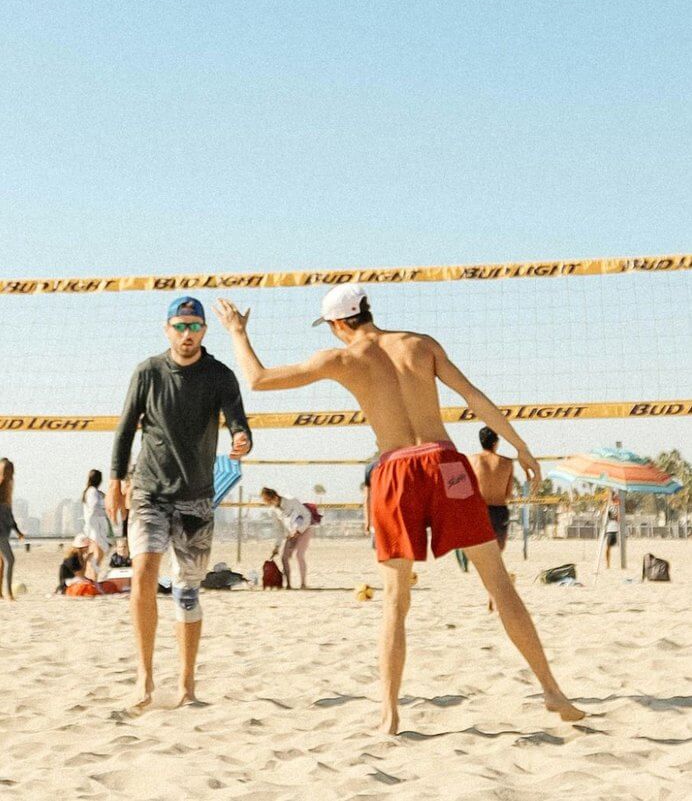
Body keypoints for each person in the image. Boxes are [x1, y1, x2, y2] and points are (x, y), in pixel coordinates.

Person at [214, 285, 584, 733]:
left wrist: (237, 332)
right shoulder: (419, 344)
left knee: (395, 601)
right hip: (445, 462)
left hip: (395, 471)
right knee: (500, 585)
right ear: (367, 311)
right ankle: (551, 689)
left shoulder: (340, 359)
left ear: (336, 325)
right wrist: (522, 447)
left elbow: (258, 379)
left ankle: (388, 713)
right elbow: (474, 396)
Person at [106, 296, 252, 712]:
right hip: (149, 490)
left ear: (204, 331)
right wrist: (116, 479)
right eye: (179, 326)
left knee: (187, 591)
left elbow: (238, 420)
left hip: (196, 497)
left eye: (193, 327)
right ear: (166, 329)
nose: (186, 334)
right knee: (144, 571)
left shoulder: (219, 375)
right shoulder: (148, 372)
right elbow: (124, 429)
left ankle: (187, 684)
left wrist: (242, 439)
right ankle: (144, 677)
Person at [469, 427, 514, 552]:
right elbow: (508, 493)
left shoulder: (472, 460)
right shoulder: (507, 462)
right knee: (498, 551)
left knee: (480, 551)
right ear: (496, 442)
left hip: (479, 509)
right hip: (499, 510)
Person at [259, 487, 313, 589]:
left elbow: (307, 515)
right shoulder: (274, 511)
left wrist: (299, 530)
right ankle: (288, 585)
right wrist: (277, 547)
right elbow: (279, 531)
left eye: (269, 501)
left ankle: (303, 584)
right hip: (291, 533)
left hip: (305, 530)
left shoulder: (291, 500)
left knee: (299, 555)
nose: (269, 504)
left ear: (274, 497)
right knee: (284, 558)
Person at [0, 458, 24, 601]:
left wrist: (17, 531)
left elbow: (9, 514)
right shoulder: (1, 486)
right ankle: (9, 593)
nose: (11, 473)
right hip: (0, 532)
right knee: (11, 560)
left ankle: (2, 592)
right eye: (8, 469)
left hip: (5, 531)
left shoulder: (8, 488)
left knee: (3, 562)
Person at [82, 469, 110, 579]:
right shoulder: (92, 491)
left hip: (94, 525)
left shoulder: (91, 491)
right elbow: (94, 507)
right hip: (96, 526)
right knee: (98, 554)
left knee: (95, 554)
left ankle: (91, 578)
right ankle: (93, 579)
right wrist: (105, 508)